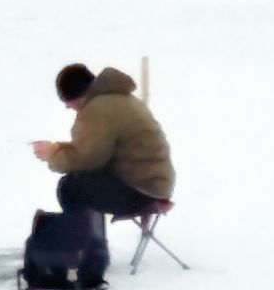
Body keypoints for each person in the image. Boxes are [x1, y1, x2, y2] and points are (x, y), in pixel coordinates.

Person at [32, 63, 175, 217]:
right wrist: (58, 148)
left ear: (76, 96)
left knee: (71, 187)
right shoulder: (118, 100)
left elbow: (88, 160)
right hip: (153, 183)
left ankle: (82, 239)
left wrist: (53, 156)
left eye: (66, 100)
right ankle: (88, 236)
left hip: (142, 191)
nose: (67, 107)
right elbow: (97, 149)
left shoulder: (97, 109)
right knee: (85, 181)